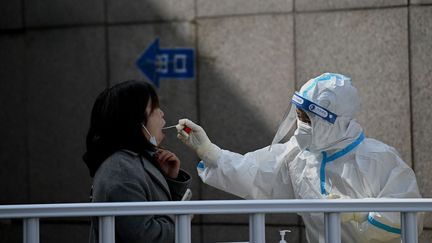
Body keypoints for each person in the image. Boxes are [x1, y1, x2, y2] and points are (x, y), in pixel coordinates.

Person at [176, 73, 423, 243]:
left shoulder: (378, 158)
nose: (300, 125)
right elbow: (253, 174)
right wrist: (209, 151)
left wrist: (357, 212)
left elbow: (409, 215)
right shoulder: (300, 155)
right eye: (298, 116)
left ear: (334, 121)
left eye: (307, 119)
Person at [83, 80, 191, 243]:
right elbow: (147, 237)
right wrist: (182, 217)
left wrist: (170, 179)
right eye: (154, 108)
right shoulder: (120, 171)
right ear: (137, 121)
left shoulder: (133, 161)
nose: (161, 113)